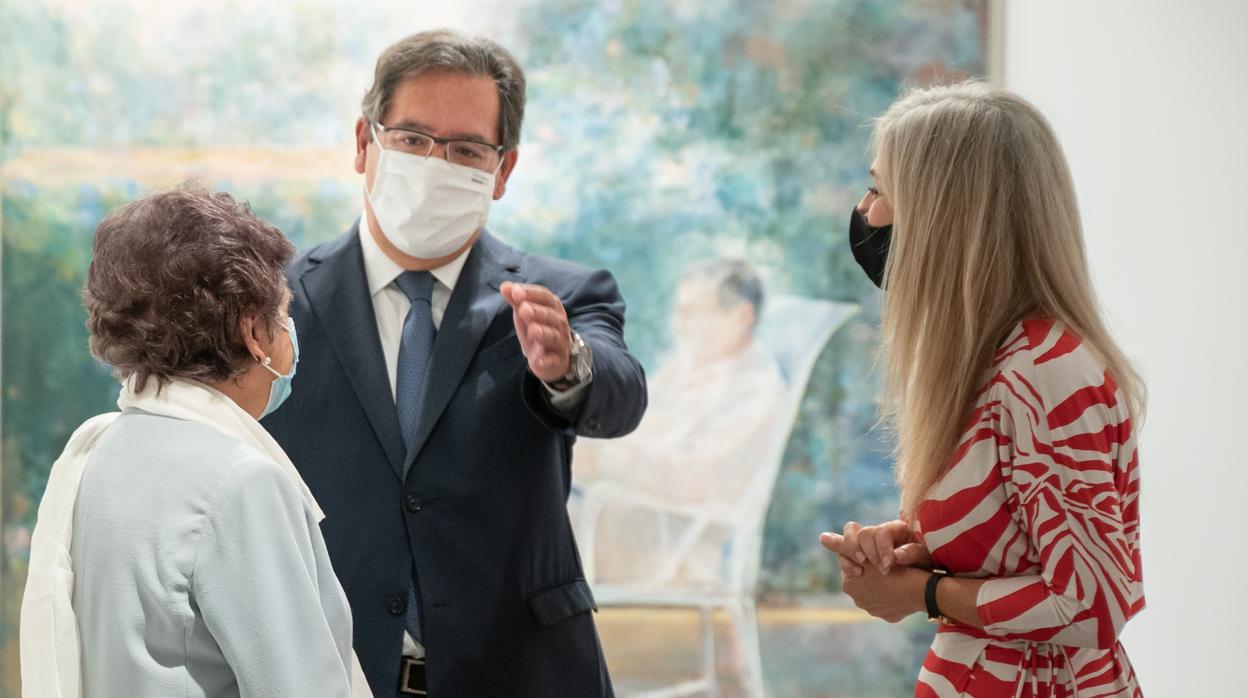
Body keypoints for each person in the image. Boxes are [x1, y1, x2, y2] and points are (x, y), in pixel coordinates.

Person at [260, 30, 648, 697]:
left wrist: (567, 364)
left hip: (525, 674)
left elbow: (621, 391)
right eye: (411, 139)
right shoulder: (276, 302)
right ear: (364, 143)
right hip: (329, 674)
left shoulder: (560, 296)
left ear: (502, 171)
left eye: (466, 149)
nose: (436, 165)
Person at [819, 82, 1146, 696]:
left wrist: (920, 592)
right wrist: (917, 546)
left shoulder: (1046, 372)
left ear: (943, 217)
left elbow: (1094, 604)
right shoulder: (995, 359)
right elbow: (1021, 549)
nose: (865, 212)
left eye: (881, 190)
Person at [20, 185, 368, 696]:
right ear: (253, 330)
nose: (289, 334)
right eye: (283, 312)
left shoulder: (96, 451)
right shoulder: (240, 483)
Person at [574, 258, 785, 585]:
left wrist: (601, 459)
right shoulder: (686, 368)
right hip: (628, 515)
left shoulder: (756, 390)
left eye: (693, 313)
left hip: (674, 544)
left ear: (742, 316)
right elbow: (633, 428)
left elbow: (700, 478)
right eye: (678, 312)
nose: (680, 325)